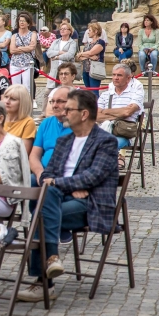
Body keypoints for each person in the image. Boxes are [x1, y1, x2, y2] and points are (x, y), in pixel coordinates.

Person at [18, 90, 119, 302]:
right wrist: (63, 185)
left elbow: (93, 176)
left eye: (68, 109)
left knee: (41, 213)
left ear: (83, 114)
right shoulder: (65, 141)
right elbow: (48, 173)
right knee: (47, 201)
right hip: (60, 199)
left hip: (90, 203)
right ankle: (52, 259)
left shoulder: (106, 142)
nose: (63, 112)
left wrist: (59, 184)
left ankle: (42, 284)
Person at [30, 86, 73, 187]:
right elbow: (34, 156)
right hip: (44, 173)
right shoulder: (46, 123)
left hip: (67, 175)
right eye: (52, 101)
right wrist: (40, 173)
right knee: (29, 181)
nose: (54, 105)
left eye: (59, 101)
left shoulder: (79, 125)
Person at [97, 63, 145, 154]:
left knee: (108, 145)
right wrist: (120, 113)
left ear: (128, 78)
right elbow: (96, 116)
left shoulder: (136, 94)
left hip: (122, 133)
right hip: (102, 131)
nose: (115, 78)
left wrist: (105, 111)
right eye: (114, 75)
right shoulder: (105, 95)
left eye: (119, 75)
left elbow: (127, 113)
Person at [2, 84, 36, 154]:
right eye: (6, 97)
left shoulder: (28, 122)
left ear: (22, 103)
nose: (7, 101)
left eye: (13, 99)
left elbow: (24, 153)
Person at [10, 12, 37, 93]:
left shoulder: (33, 34)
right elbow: (12, 50)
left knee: (27, 87)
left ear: (28, 23)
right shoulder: (14, 36)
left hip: (27, 64)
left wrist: (19, 48)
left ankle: (27, 104)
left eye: (24, 21)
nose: (21, 22)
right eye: (20, 21)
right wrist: (25, 48)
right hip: (15, 63)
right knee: (15, 87)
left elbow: (32, 48)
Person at [77, 21, 107, 96]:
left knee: (94, 91)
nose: (88, 32)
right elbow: (80, 57)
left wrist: (83, 54)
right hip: (86, 69)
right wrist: (89, 56)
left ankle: (97, 107)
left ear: (96, 31)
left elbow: (91, 52)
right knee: (88, 91)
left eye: (90, 30)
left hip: (95, 69)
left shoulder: (100, 42)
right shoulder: (88, 44)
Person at [46, 23, 78, 88]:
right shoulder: (56, 42)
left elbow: (70, 55)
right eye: (61, 29)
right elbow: (49, 53)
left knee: (65, 91)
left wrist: (57, 57)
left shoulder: (72, 43)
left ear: (70, 31)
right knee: (48, 92)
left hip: (66, 71)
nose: (62, 30)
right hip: (54, 71)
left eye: (64, 29)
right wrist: (59, 52)